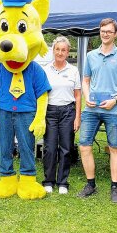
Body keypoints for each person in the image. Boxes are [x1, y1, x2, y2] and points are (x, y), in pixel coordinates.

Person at [77, 18, 117, 203]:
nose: (105, 34)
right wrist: (87, 97)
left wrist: (115, 100)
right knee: (84, 145)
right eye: (103, 30)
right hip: (91, 109)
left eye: (109, 31)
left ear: (116, 34)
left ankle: (114, 187)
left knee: (114, 147)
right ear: (99, 32)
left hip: (113, 109)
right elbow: (85, 80)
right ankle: (90, 184)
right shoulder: (91, 56)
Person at [42, 36, 81, 195]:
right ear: (53, 50)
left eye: (63, 50)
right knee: (50, 148)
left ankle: (62, 182)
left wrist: (77, 117)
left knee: (66, 148)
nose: (60, 52)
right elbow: (40, 93)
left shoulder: (73, 71)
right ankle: (49, 181)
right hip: (50, 111)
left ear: (68, 52)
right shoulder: (45, 69)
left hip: (67, 112)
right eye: (57, 49)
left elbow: (78, 95)